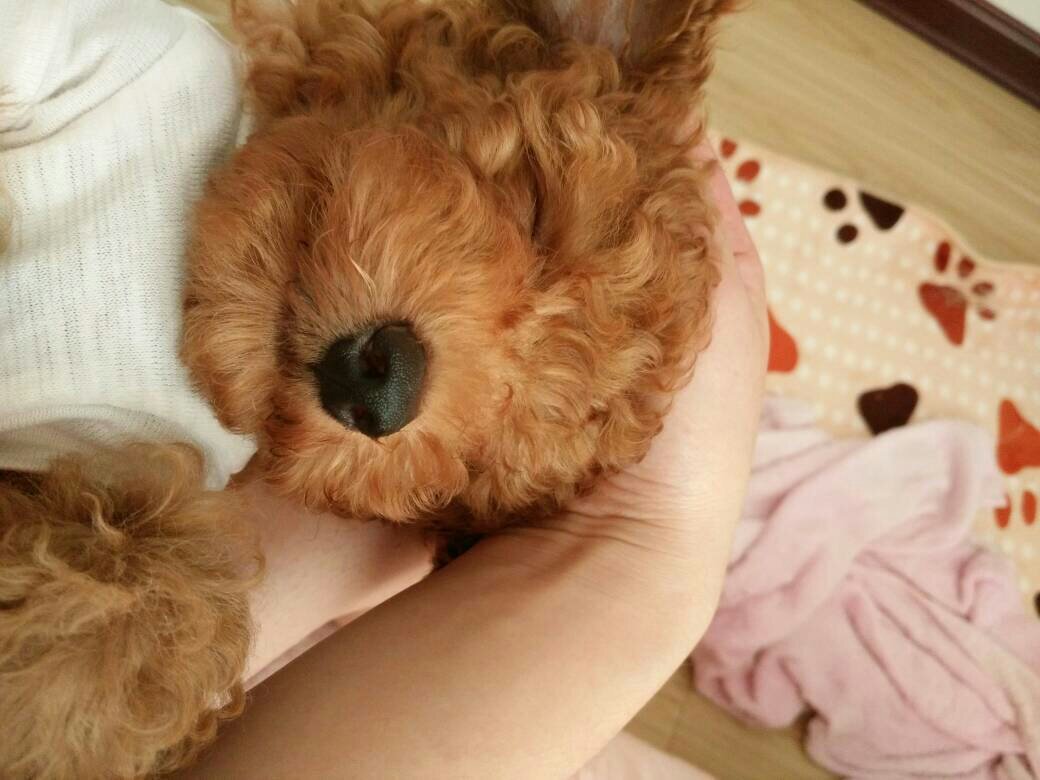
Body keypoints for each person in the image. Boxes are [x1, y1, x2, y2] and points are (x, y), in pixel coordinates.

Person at [1, 1, 766, 776]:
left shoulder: (191, 486)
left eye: (485, 448)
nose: (398, 396)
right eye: (529, 217)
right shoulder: (141, 84)